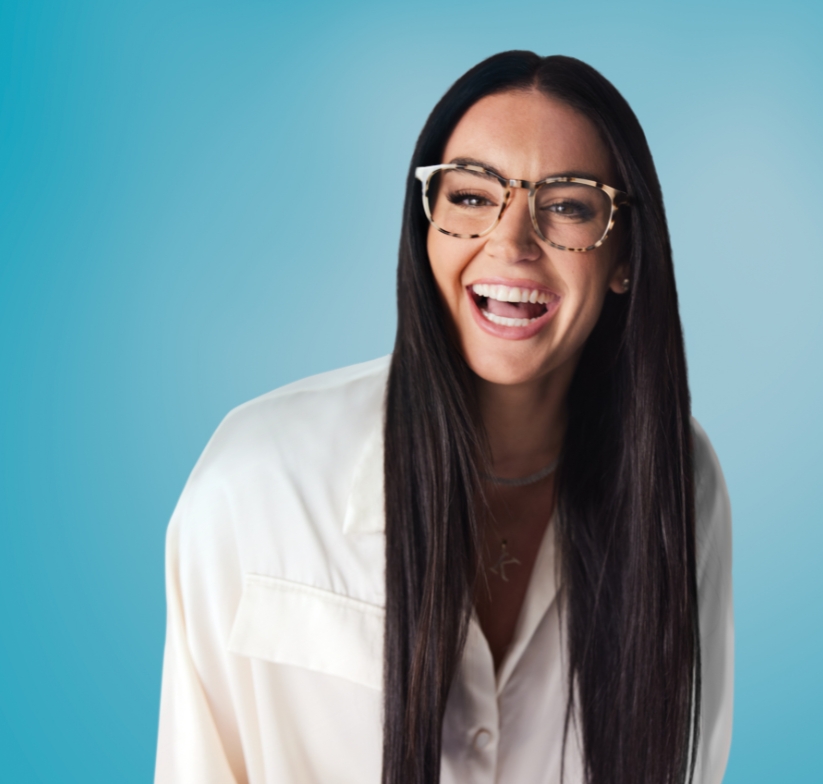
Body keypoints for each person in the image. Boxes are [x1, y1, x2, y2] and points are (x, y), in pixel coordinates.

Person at [154, 51, 733, 784]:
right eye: (470, 196)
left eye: (568, 205)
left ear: (625, 257)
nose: (512, 243)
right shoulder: (255, 482)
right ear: (424, 226)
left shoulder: (681, 487)